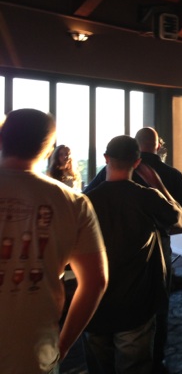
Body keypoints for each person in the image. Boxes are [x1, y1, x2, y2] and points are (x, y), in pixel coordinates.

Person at [0, 109, 108, 373]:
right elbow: (96, 281)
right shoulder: (73, 203)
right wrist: (64, 344)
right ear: (49, 149)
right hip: (34, 354)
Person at [85, 127, 182, 370]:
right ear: (137, 162)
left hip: (95, 301)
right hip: (135, 299)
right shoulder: (147, 196)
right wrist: (158, 184)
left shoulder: (88, 200)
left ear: (106, 159)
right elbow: (178, 216)